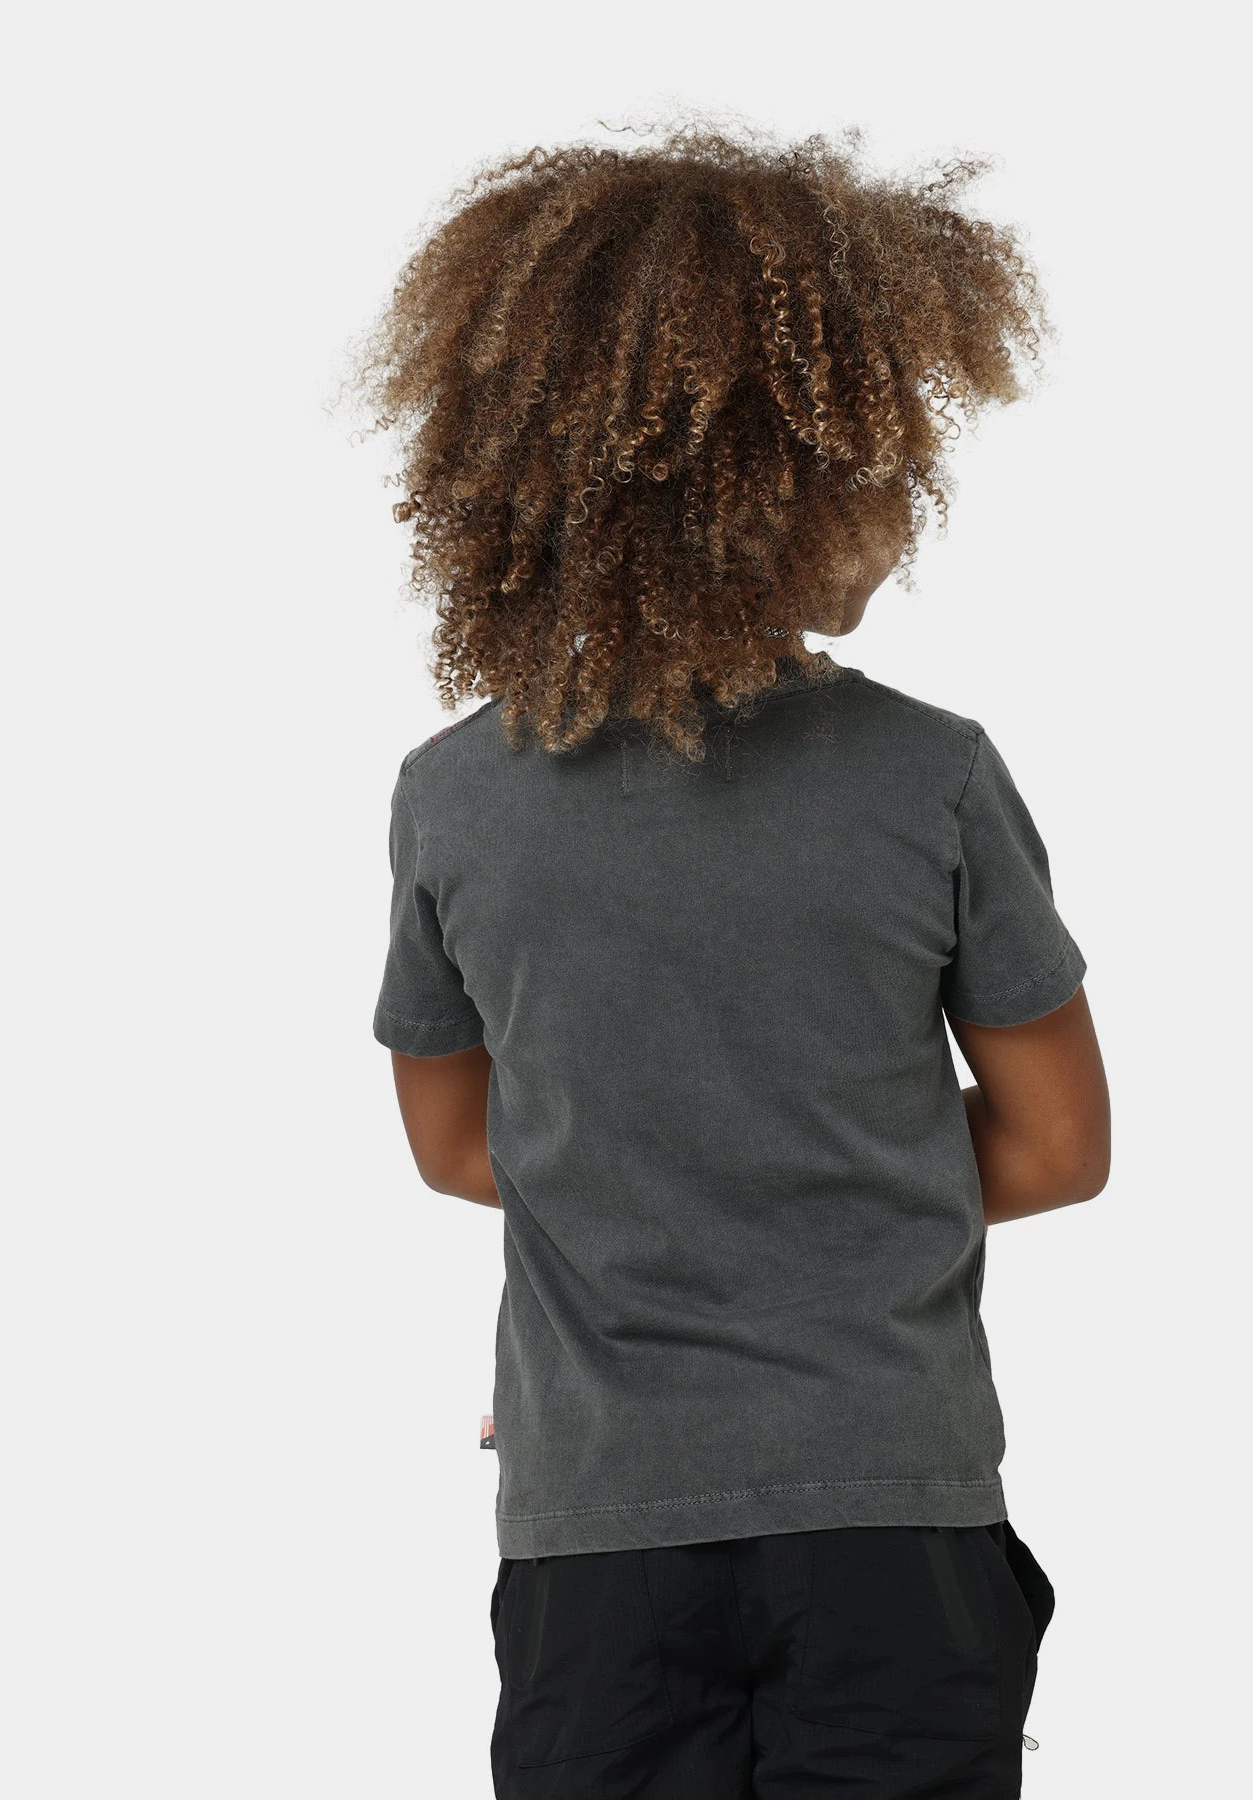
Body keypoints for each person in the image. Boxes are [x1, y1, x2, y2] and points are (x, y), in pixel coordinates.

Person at [358, 121, 1111, 1799]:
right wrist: (824, 1192)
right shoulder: (933, 777)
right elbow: (1060, 1147)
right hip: (894, 1519)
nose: (898, 500)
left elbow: (459, 1142)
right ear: (782, 473)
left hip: (597, 1529)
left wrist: (673, 1198)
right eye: (874, 451)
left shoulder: (456, 796)